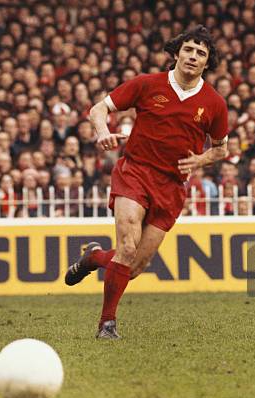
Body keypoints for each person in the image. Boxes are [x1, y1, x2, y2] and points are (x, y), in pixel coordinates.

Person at [64, 25, 228, 339]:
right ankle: (107, 324)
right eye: (189, 50)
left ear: (208, 63)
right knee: (126, 248)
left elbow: (221, 148)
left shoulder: (214, 103)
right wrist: (103, 132)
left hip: (171, 186)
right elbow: (99, 109)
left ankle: (93, 258)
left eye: (201, 53)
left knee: (136, 266)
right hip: (135, 172)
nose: (193, 57)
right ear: (177, 53)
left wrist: (201, 159)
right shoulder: (148, 84)